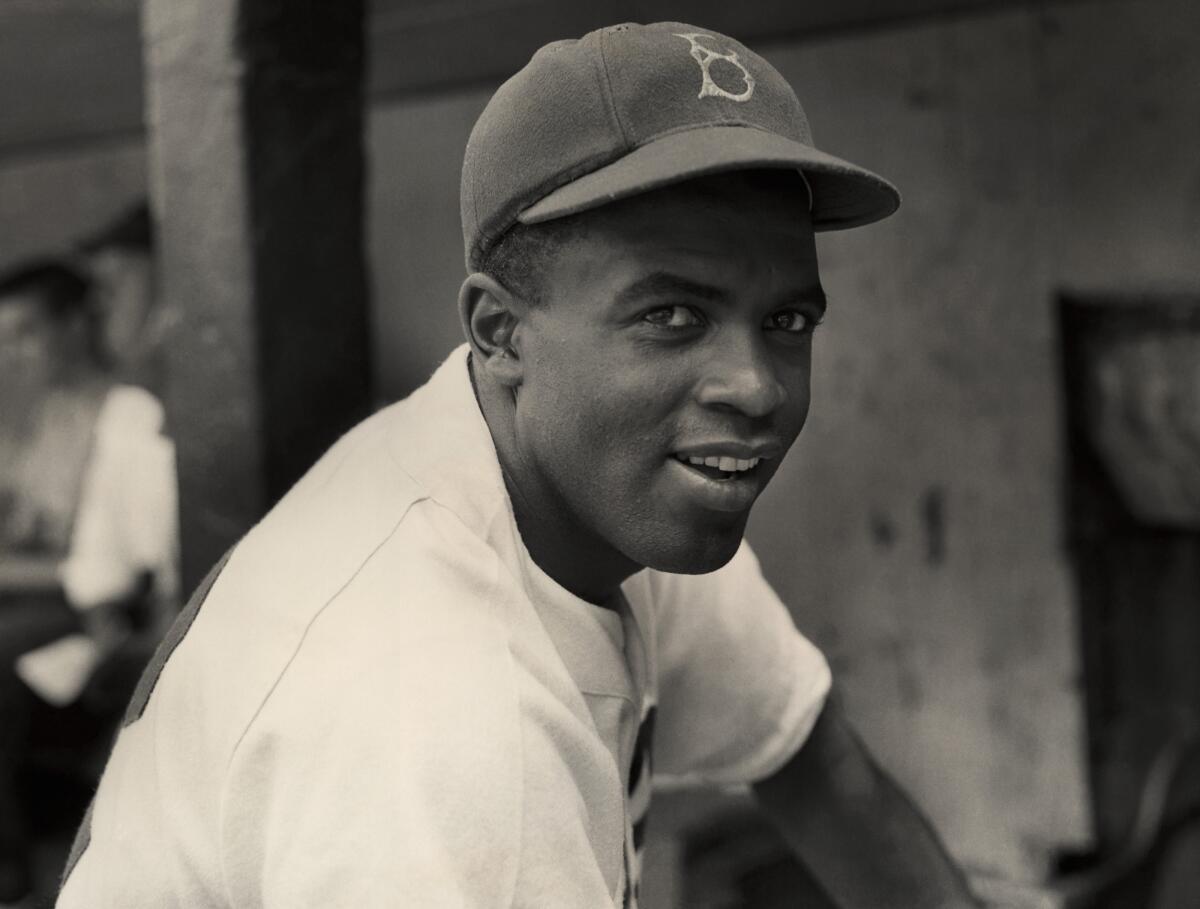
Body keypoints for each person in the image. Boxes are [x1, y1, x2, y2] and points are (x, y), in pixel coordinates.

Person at [59, 22, 983, 908]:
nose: (754, 386)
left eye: (787, 320)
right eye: (671, 315)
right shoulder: (431, 714)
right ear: (499, 334)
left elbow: (813, 762)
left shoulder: (601, 490)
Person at [0, 260, 177, 906]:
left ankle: (10, 866)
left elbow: (114, 561)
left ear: (77, 324)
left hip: (100, 598)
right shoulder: (43, 414)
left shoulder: (128, 410)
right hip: (49, 583)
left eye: (26, 335)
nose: (12, 354)